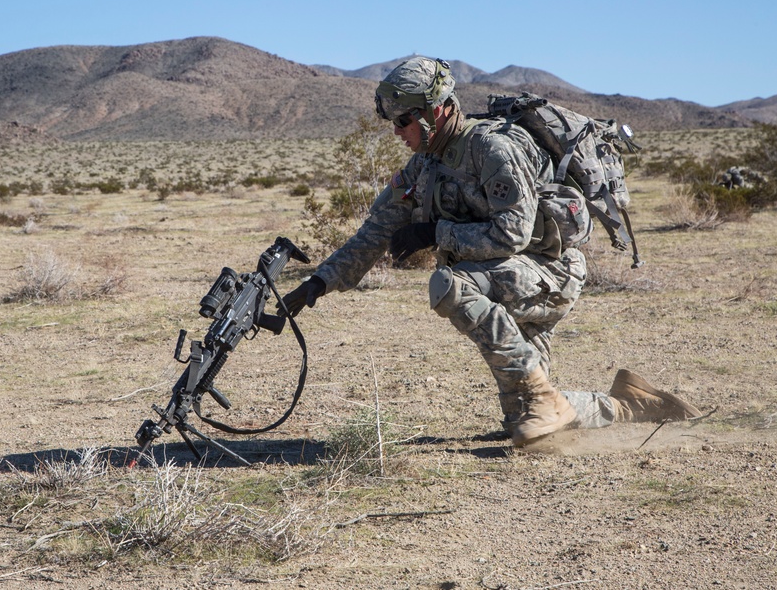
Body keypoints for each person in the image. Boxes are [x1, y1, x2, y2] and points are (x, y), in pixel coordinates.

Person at [281, 56, 700, 447]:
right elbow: (376, 229)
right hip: (512, 276)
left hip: (549, 271)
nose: (397, 132)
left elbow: (512, 233)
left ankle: (540, 394)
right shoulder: (426, 164)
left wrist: (434, 232)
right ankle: (632, 403)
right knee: (526, 422)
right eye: (393, 122)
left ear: (436, 110)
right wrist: (319, 282)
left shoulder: (492, 149)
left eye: (404, 120)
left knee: (450, 285)